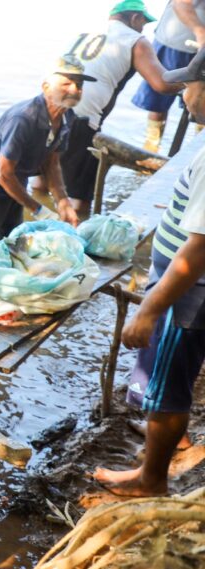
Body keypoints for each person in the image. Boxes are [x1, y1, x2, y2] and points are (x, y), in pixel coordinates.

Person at [94, 48, 205, 497]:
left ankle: (151, 479)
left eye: (191, 85)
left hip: (189, 296)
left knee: (170, 387)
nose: (182, 94)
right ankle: (161, 445)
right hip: (186, 293)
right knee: (170, 383)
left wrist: (149, 310)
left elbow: (197, 251)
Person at [50, 0, 181, 216]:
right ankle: (73, 232)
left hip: (50, 108)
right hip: (83, 117)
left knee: (43, 177)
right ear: (135, 18)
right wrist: (192, 80)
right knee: (79, 198)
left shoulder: (85, 35)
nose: (143, 28)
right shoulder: (135, 40)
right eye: (143, 23)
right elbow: (162, 84)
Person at [0, 56, 90, 250]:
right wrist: (38, 209)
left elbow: (51, 163)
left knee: (12, 248)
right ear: (46, 87)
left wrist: (63, 201)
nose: (75, 90)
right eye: (67, 83)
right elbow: (3, 174)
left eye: (79, 85)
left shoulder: (66, 116)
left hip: (15, 187)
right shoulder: (23, 119)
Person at [132, 0, 205, 152]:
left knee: (201, 102)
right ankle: (151, 149)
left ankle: (196, 151)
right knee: (159, 100)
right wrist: (200, 32)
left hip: (200, 51)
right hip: (177, 43)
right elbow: (181, 4)